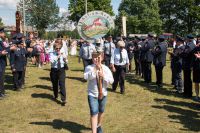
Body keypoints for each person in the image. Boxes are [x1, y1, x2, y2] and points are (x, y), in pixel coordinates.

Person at [84, 48, 114, 133]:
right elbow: (86, 77)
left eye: (98, 57)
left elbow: (111, 81)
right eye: (94, 57)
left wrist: (103, 76)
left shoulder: (105, 68)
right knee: (94, 112)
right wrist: (95, 70)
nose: (96, 59)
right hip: (92, 94)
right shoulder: (89, 68)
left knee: (101, 111)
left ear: (102, 57)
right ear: (92, 58)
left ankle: (98, 125)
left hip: (103, 94)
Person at [50, 40, 67, 106]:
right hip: (54, 70)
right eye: (57, 48)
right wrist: (57, 57)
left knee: (62, 84)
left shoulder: (62, 53)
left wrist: (65, 60)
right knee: (55, 84)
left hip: (61, 70)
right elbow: (51, 61)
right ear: (54, 48)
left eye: (59, 48)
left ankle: (63, 99)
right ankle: (55, 94)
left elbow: (65, 61)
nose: (58, 49)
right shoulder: (52, 53)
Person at [0, 27, 16, 99]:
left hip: (2, 62)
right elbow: (2, 52)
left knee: (2, 78)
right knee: (1, 78)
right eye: (3, 33)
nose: (4, 34)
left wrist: (10, 47)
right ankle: (1, 94)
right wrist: (10, 49)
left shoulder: (1, 41)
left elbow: (5, 50)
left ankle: (2, 92)